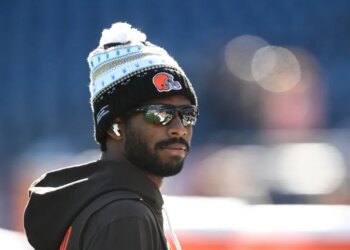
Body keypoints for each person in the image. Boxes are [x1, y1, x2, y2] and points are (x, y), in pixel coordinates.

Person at [24, 22, 198, 250]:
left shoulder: (113, 205)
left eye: (187, 115)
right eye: (159, 114)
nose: (179, 128)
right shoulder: (125, 215)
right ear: (114, 126)